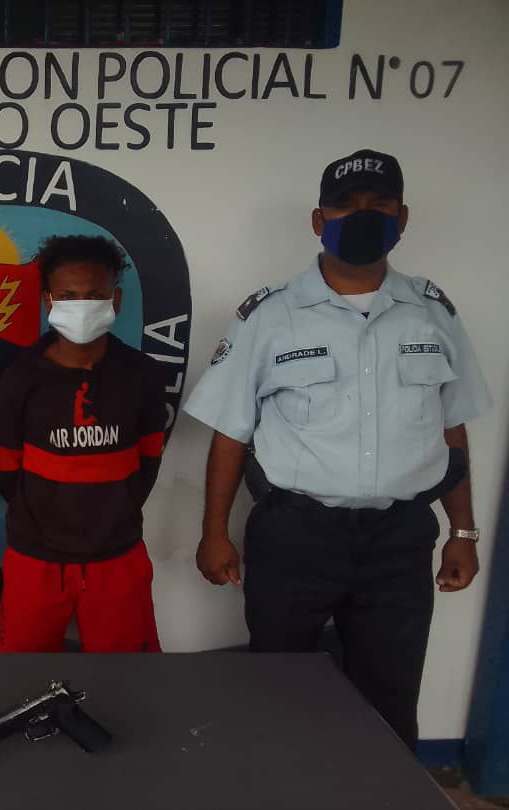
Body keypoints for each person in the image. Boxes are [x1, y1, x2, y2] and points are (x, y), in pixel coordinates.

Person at [183, 149, 491, 749]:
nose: (363, 215)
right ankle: (282, 789)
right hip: (295, 535)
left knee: (389, 700)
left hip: (399, 540)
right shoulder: (270, 315)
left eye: (379, 204)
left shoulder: (432, 313)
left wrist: (463, 531)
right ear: (319, 220)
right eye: (346, 205)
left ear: (402, 217)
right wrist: (213, 532)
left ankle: (380, 791)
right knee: (277, 692)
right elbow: (230, 432)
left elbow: (450, 427)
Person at [0, 235, 166, 653]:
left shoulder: (142, 375)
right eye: (68, 296)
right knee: (17, 670)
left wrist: (111, 514)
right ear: (48, 301)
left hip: (118, 556)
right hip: (35, 557)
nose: (82, 305)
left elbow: (148, 462)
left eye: (95, 295)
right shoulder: (21, 378)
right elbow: (6, 471)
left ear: (115, 300)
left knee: (128, 672)